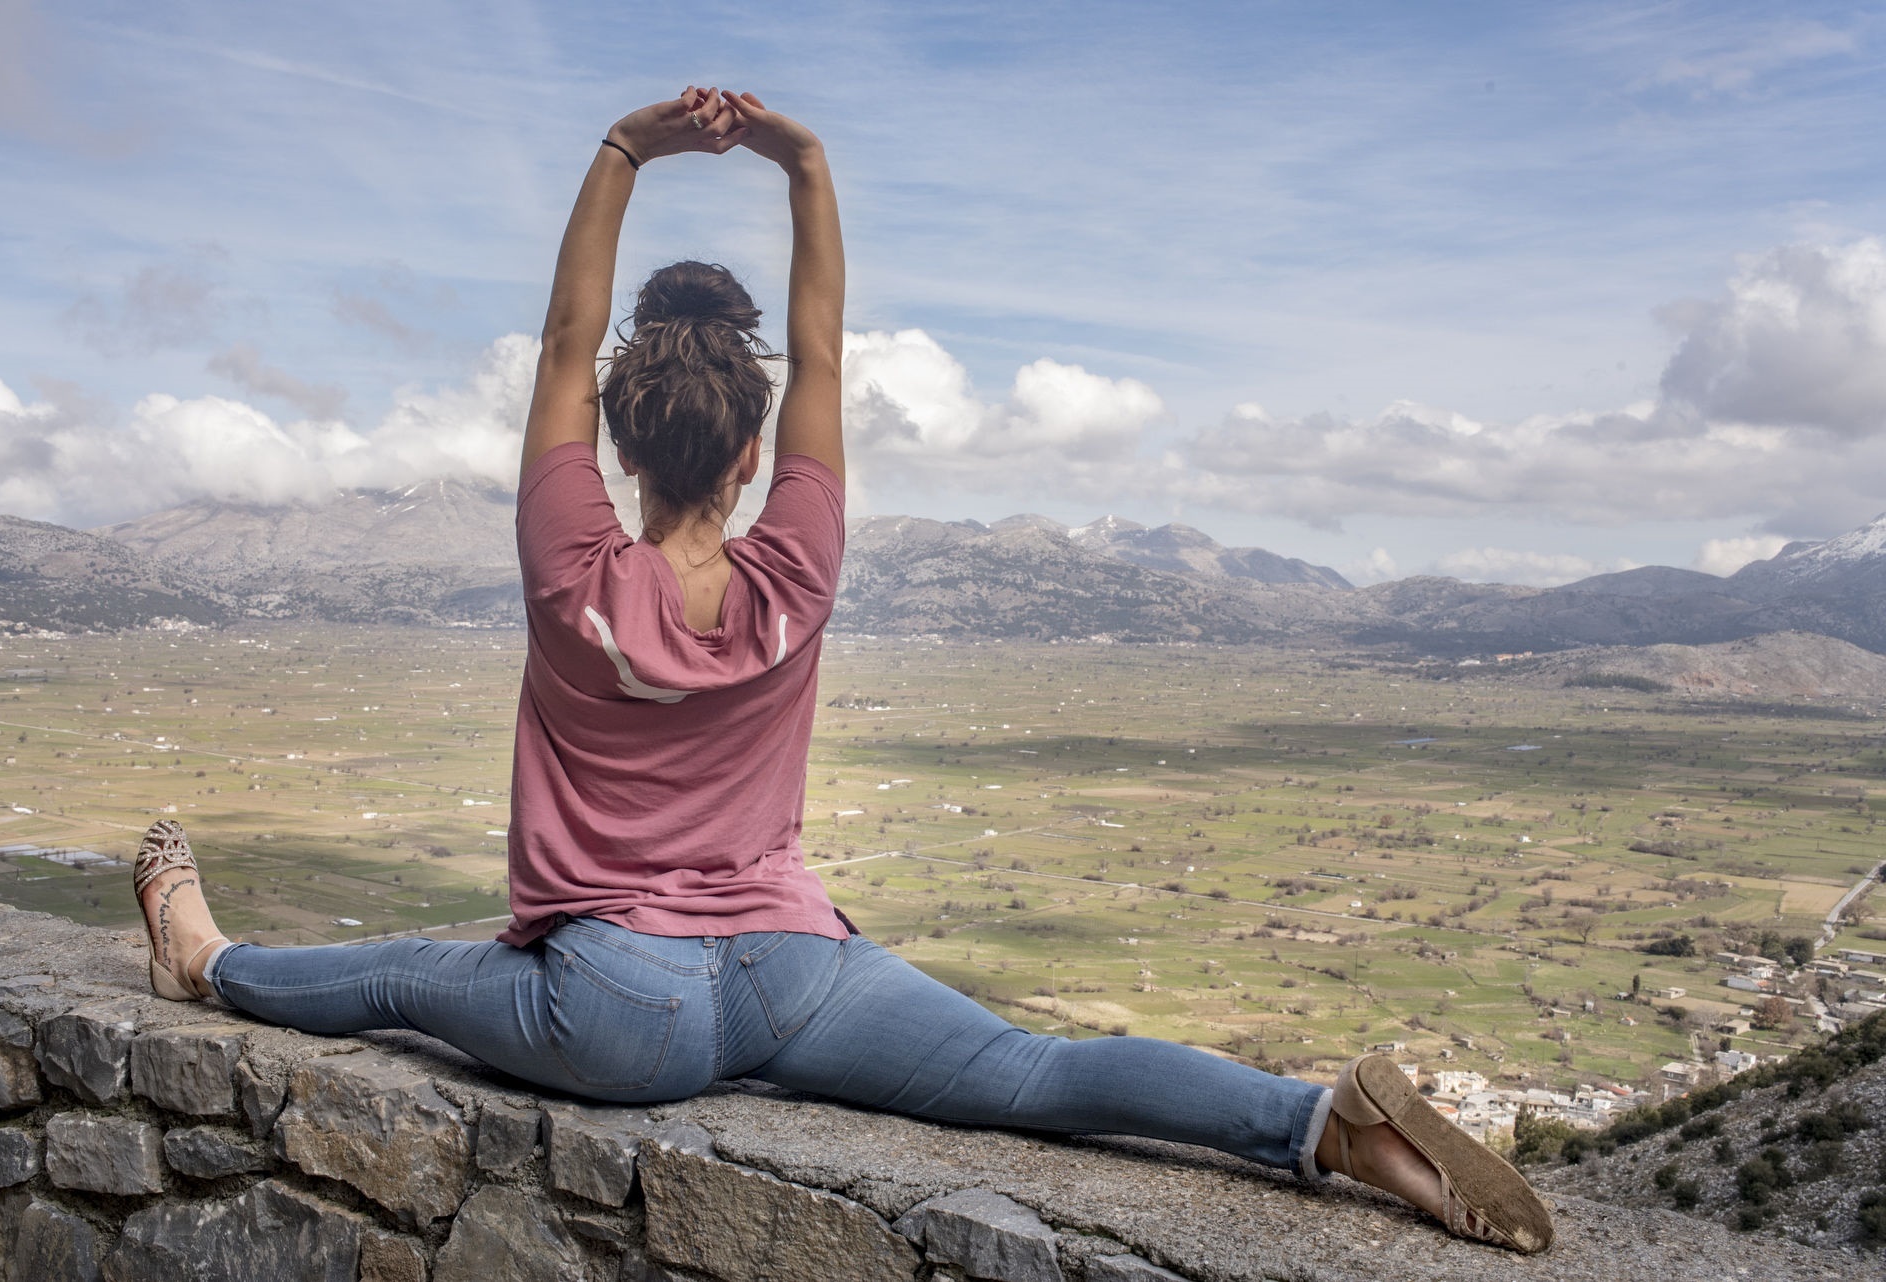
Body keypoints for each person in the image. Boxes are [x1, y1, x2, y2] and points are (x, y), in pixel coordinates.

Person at [132, 86, 1553, 1254]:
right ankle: (1320, 1123)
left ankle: (206, 955)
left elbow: (569, 340)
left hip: (620, 1001)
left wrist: (627, 148)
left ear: (618, 447)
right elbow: (819, 344)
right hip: (797, 970)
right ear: (754, 454)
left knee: (405, 974)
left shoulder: (573, 565)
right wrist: (800, 161)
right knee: (1037, 1074)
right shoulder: (794, 565)